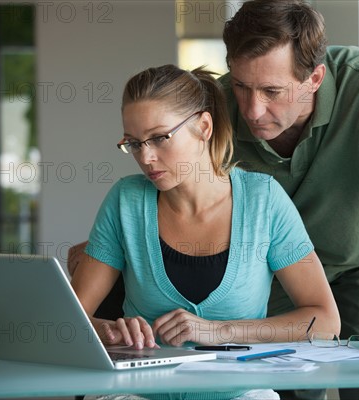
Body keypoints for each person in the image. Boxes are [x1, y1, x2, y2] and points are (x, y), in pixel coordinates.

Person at [70, 64, 340, 400]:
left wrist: (218, 331)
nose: (146, 157)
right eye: (134, 144)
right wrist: (110, 330)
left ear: (204, 126)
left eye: (159, 138)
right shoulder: (125, 200)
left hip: (241, 394)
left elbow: (325, 321)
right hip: (138, 395)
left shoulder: (264, 201)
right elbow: (71, 319)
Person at [220, 1, 359, 398]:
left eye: (271, 91)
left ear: (315, 78)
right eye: (241, 86)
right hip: (277, 274)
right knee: (284, 393)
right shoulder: (217, 110)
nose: (251, 109)